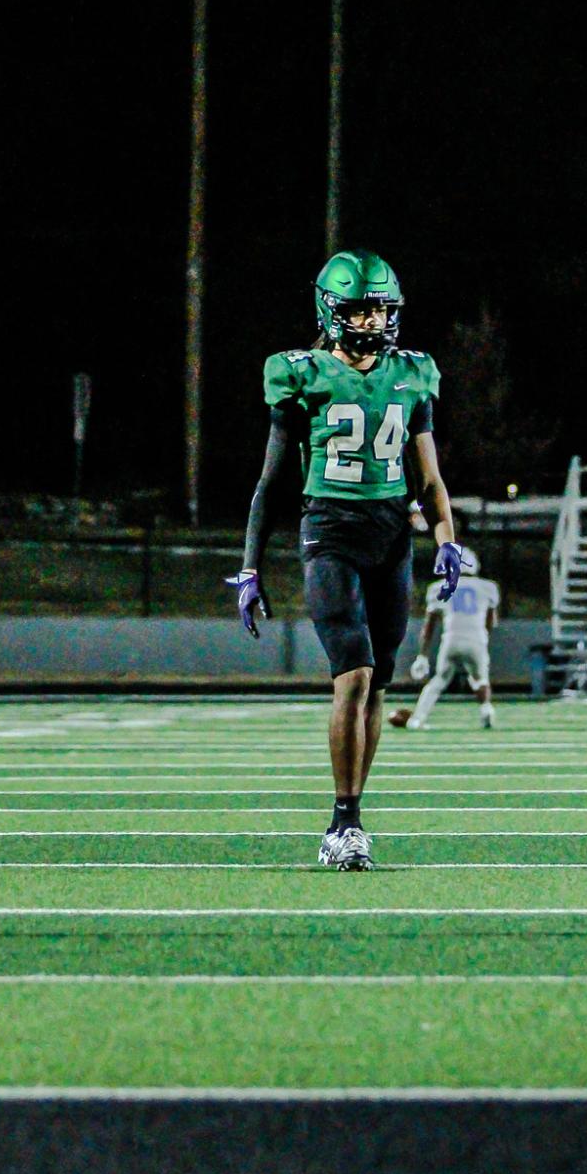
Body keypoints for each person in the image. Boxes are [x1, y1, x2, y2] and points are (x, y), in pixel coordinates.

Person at [230, 249, 461, 870]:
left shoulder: (412, 374)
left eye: (381, 309)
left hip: (390, 534)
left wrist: (446, 538)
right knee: (352, 673)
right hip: (329, 529)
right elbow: (272, 483)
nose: (373, 322)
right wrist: (251, 565)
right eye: (360, 310)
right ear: (331, 311)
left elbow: (429, 476)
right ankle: (343, 823)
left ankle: (356, 809)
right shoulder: (301, 374)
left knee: (379, 681)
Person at [390, 552, 500, 730]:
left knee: (440, 680)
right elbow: (491, 622)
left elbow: (429, 626)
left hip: (451, 639)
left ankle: (418, 718)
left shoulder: (439, 587)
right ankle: (486, 709)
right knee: (480, 679)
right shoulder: (488, 587)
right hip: (476, 638)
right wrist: (483, 637)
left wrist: (423, 655)